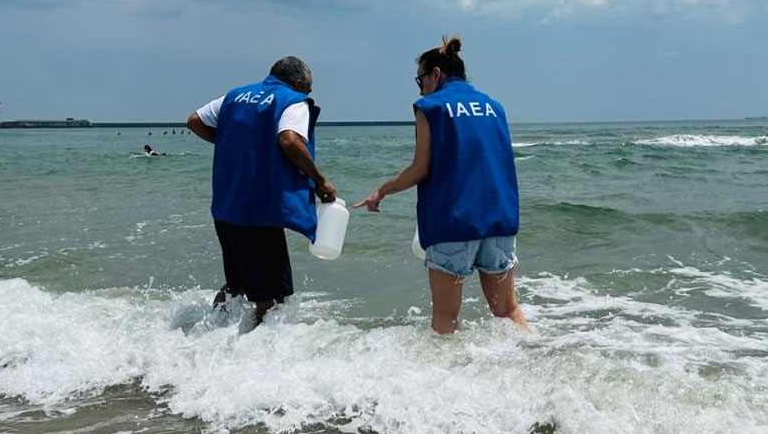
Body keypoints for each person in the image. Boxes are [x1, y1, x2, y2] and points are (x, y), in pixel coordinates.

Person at [355, 36, 525, 334]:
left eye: (420, 79)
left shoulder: (430, 107)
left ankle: (445, 379)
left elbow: (421, 169)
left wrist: (381, 190)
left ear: (436, 74)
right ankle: (533, 361)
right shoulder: (493, 106)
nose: (419, 86)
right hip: (500, 219)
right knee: (508, 311)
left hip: (455, 221)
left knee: (446, 317)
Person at [187, 56, 337, 326]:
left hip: (225, 206)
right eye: (308, 89)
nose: (307, 94)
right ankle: (255, 355)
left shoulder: (235, 96)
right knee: (274, 298)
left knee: (237, 284)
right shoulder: (291, 100)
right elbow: (289, 141)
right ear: (299, 82)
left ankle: (209, 332)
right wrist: (319, 180)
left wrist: (229, 144)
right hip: (259, 210)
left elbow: (195, 120)